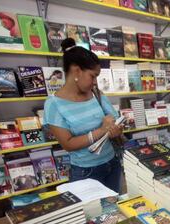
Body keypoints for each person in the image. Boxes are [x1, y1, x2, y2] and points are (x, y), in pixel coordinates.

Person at [44, 38, 123, 192]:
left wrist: (116, 130)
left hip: (111, 163)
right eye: (93, 76)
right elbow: (68, 144)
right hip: (85, 172)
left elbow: (115, 121)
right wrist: (101, 130)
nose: (95, 82)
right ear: (76, 71)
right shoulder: (53, 105)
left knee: (114, 209)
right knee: (89, 214)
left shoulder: (96, 94)